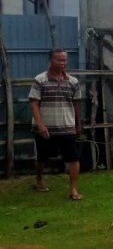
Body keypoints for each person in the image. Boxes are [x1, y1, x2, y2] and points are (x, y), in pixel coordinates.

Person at [29, 48, 84, 200]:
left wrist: (78, 124)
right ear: (50, 61)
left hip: (67, 126)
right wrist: (40, 125)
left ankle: (73, 190)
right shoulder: (40, 80)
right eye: (59, 60)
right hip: (45, 128)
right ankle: (39, 180)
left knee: (73, 158)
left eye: (64, 60)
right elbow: (34, 103)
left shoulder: (73, 82)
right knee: (42, 157)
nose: (62, 63)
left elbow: (76, 104)